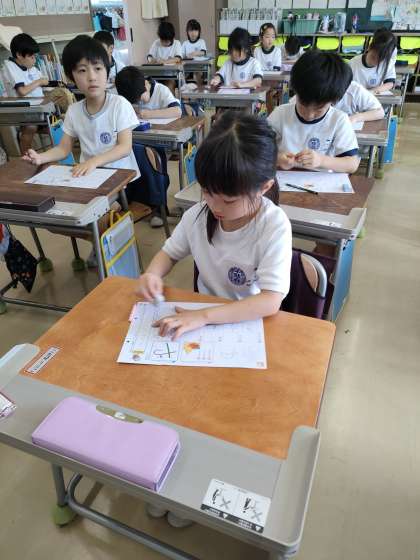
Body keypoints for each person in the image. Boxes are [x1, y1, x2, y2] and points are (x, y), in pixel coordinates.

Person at [136, 111, 292, 341]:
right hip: (204, 312)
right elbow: (169, 253)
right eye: (207, 192)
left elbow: (270, 300)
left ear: (264, 188)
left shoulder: (273, 226)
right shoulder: (197, 216)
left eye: (229, 200)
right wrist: (152, 274)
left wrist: (204, 317)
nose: (214, 206)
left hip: (245, 319)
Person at [23, 35, 140, 266]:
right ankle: (100, 241)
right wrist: (40, 157)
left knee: (100, 217)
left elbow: (124, 147)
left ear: (107, 70)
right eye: (82, 70)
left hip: (119, 181)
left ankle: (105, 243)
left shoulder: (119, 105)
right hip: (88, 179)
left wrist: (94, 161)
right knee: (54, 219)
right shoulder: (75, 111)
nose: (92, 76)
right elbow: (63, 148)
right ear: (71, 76)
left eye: (97, 68)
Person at [268, 50, 359, 173]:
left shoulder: (339, 120)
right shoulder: (280, 114)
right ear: (296, 92)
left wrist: (321, 161)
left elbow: (352, 164)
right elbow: (257, 150)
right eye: (303, 105)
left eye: (319, 109)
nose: (309, 115)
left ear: (333, 101)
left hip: (321, 182)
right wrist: (276, 159)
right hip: (283, 178)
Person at [4, 33, 49, 154]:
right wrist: (39, 82)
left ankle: (53, 154)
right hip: (22, 109)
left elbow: (44, 82)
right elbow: (22, 91)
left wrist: (44, 82)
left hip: (37, 108)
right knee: (31, 127)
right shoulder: (10, 66)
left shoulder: (30, 67)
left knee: (56, 123)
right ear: (19, 55)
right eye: (31, 56)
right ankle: (26, 158)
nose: (34, 60)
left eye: (35, 56)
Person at [115, 66, 181, 120]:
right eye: (136, 102)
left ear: (146, 84)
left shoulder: (161, 90)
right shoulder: (128, 94)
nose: (140, 103)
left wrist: (149, 114)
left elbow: (177, 111)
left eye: (141, 99)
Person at [349, 28, 397, 94]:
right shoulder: (353, 63)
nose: (376, 62)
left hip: (375, 96)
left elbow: (390, 83)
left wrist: (373, 91)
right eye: (373, 57)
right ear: (369, 47)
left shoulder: (387, 63)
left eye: (380, 60)